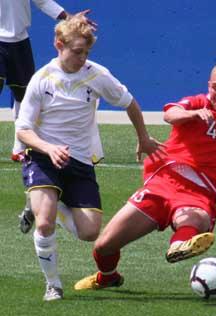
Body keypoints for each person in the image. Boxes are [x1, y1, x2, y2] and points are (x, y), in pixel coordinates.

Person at [74, 61, 216, 291]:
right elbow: (171, 114)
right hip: (163, 184)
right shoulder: (196, 103)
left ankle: (179, 245)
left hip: (198, 195)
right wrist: (193, 114)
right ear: (208, 85)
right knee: (103, 246)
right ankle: (107, 277)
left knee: (195, 218)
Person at [15, 15, 163, 301]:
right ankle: (53, 284)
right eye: (77, 51)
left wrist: (143, 138)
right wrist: (49, 148)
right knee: (44, 224)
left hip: (80, 162)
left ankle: (45, 205)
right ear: (59, 44)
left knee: (90, 233)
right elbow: (23, 130)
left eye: (86, 53)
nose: (82, 58)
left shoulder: (96, 75)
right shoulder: (42, 79)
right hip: (43, 157)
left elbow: (129, 102)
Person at [0, 0, 95, 162]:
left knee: (23, 95)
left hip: (21, 43)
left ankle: (19, 149)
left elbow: (43, 2)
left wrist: (70, 19)